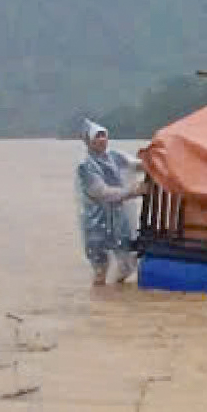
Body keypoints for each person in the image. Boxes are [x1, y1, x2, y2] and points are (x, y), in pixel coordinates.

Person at [76, 120, 144, 287]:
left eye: (103, 135)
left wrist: (155, 160)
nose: (101, 140)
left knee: (126, 264)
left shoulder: (115, 156)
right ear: (88, 141)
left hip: (119, 219)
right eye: (97, 137)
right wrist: (133, 191)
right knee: (100, 268)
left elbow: (138, 165)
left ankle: (116, 301)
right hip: (96, 223)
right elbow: (101, 193)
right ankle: (100, 303)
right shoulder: (86, 167)